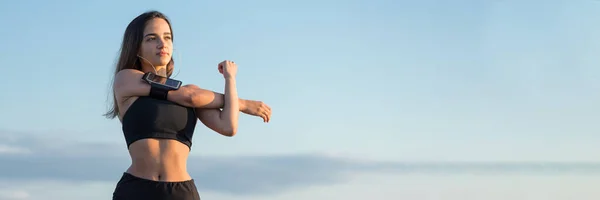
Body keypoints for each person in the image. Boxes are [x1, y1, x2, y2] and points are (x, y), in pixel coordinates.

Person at [104, 10, 272, 200]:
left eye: (167, 38)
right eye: (151, 38)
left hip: (181, 193)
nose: (162, 44)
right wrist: (243, 104)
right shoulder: (126, 79)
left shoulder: (194, 95)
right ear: (136, 47)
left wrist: (230, 78)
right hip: (136, 190)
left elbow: (228, 126)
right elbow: (189, 96)